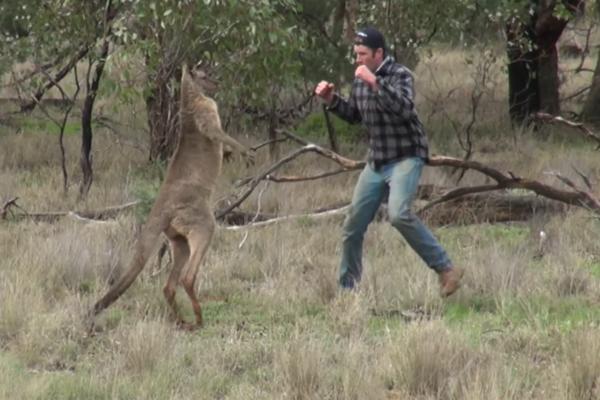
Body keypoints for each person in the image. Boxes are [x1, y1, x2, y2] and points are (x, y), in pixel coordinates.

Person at [315, 27, 463, 296]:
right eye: (356, 54)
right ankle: (348, 290)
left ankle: (446, 269)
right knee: (352, 225)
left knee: (398, 214)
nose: (358, 60)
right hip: (377, 160)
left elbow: (405, 108)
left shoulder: (400, 75)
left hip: (406, 155)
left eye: (363, 54)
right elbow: (355, 115)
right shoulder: (361, 77)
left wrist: (375, 82)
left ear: (379, 53)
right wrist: (331, 100)